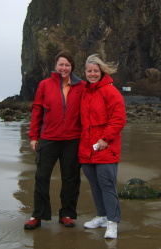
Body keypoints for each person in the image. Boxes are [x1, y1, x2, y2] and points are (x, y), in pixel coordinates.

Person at [24, 51, 85, 230]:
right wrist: (34, 136)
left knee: (71, 179)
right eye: (61, 65)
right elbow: (37, 111)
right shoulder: (45, 85)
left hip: (73, 140)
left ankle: (66, 214)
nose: (63, 68)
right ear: (55, 66)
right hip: (48, 138)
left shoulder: (81, 86)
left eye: (67, 65)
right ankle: (37, 215)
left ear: (72, 66)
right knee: (42, 177)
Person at [78, 54, 126, 239]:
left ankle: (112, 223)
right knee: (95, 185)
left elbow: (119, 118)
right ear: (85, 72)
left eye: (95, 71)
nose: (92, 74)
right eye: (89, 71)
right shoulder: (84, 91)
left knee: (107, 185)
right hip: (86, 148)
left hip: (106, 147)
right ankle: (102, 216)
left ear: (101, 72)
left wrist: (105, 139)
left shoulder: (110, 91)